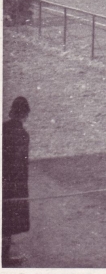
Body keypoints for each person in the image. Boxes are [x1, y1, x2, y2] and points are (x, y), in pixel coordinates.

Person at [2, 97, 31, 266]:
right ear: (25, 114)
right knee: (8, 223)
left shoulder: (2, 129)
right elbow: (20, 165)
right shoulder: (22, 135)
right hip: (13, 185)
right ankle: (4, 258)